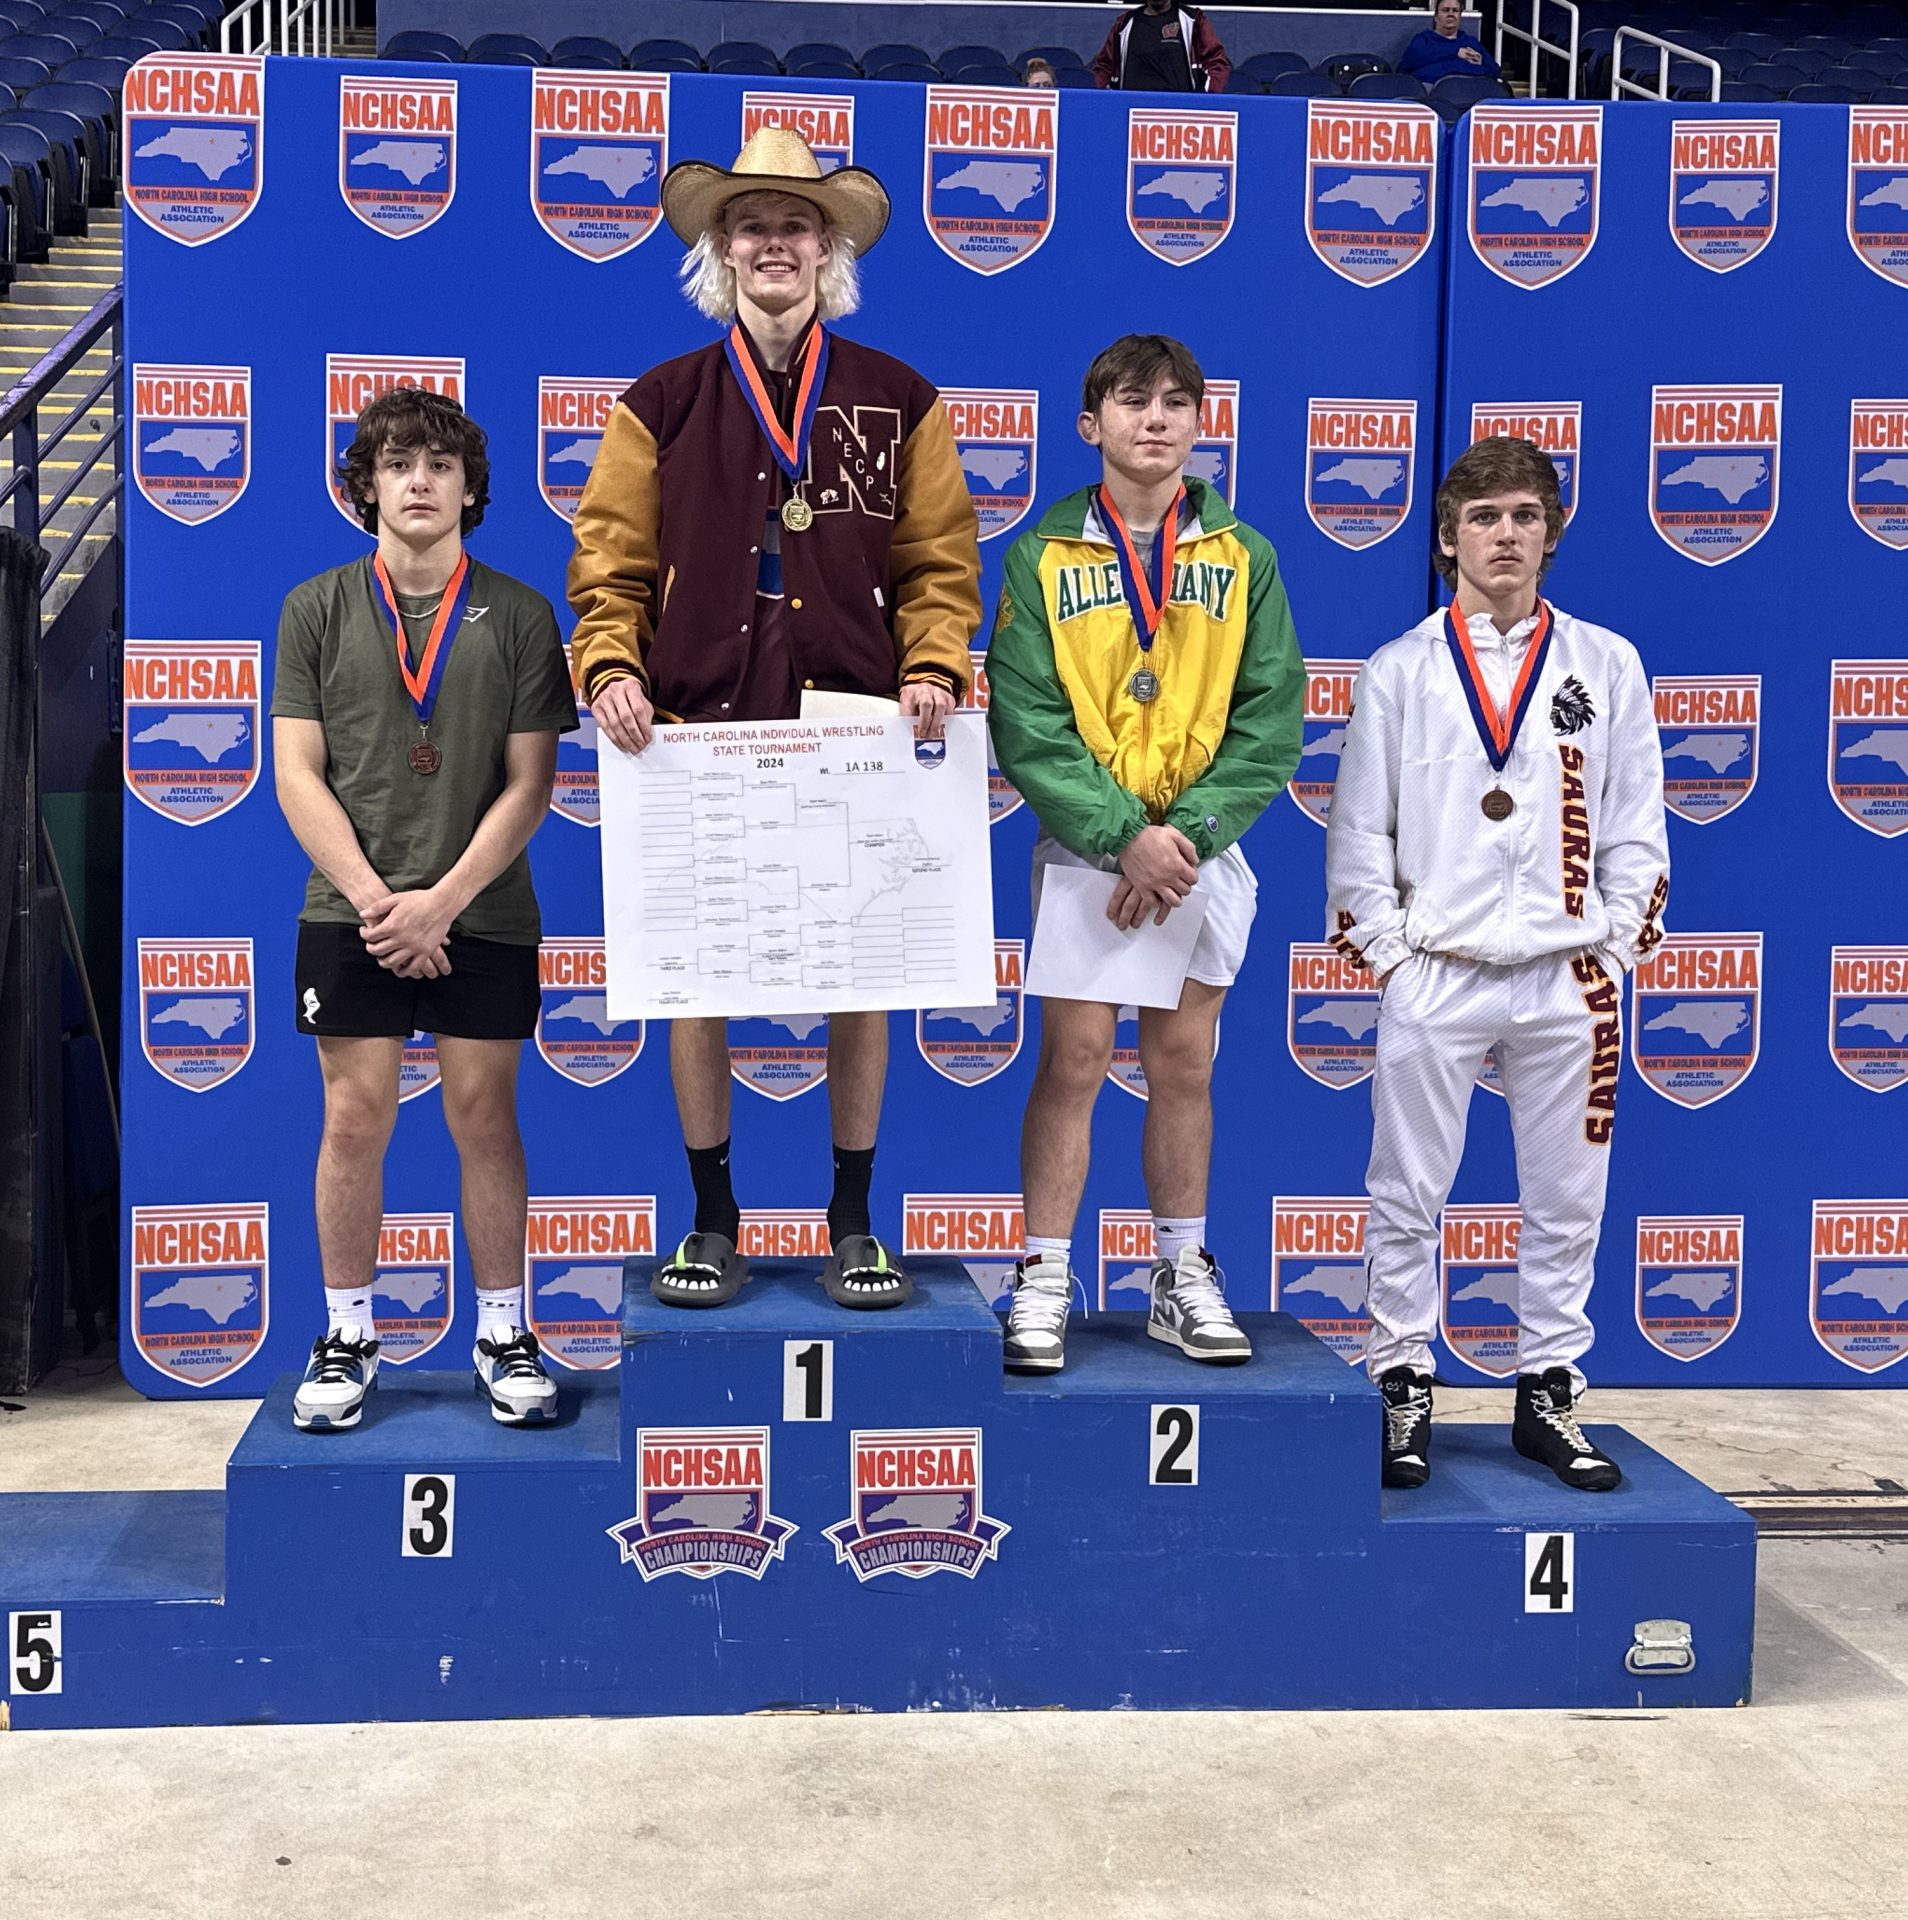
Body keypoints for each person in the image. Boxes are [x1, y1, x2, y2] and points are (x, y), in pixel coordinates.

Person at [568, 127, 982, 1315]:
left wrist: (932, 662)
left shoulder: (900, 397)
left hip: (854, 712)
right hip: (696, 716)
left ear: (829, 248)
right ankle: (713, 1216)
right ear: (719, 249)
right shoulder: (659, 402)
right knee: (695, 976)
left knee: (863, 971)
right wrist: (608, 664)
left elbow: (938, 560)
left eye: (795, 225)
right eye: (750, 226)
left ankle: (853, 1220)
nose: (773, 245)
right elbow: (608, 562)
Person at [1325, 436, 1668, 1493]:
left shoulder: (1605, 664)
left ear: (1552, 532)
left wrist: (1613, 947)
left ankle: (1547, 1390)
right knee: (1405, 1191)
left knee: (1568, 1198)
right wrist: (1392, 958)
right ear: (1447, 538)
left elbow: (1637, 825)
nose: (1505, 535)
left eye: (1525, 515)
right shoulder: (1401, 669)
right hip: (1438, 968)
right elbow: (1357, 832)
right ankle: (1401, 1380)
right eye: (1483, 518)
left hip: (1568, 976)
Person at [986, 335, 1305, 1373]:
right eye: (1132, 401)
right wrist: (1124, 837)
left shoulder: (1244, 556)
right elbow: (1027, 722)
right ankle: (1043, 1274)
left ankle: (1180, 1269)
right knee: (1075, 1058)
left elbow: (1272, 718)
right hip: (1090, 843)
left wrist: (1186, 838)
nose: (1154, 419)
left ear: (1201, 425)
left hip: (1202, 850)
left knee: (1181, 1062)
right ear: (1091, 424)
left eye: (1175, 402)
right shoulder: (1040, 557)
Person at [273, 386, 581, 1434]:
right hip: (350, 911)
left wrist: (440, 904)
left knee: (484, 1118)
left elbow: (531, 785)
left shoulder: (522, 613)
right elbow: (296, 774)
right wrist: (379, 904)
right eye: (397, 464)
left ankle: (502, 1332)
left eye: (440, 466)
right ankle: (347, 1335)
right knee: (353, 1117)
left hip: (481, 913)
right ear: (364, 488)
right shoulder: (314, 607)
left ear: (469, 490)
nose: (419, 482)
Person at [1092, 1, 1230, 94]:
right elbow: (1104, 67)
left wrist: (1205, 101)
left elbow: (1216, 63)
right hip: (1132, 115)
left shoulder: (1193, 20)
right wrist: (1109, 99)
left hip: (1178, 116)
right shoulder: (1124, 24)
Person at [1399, 0, 1495, 84]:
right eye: (1445, 10)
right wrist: (1456, 52)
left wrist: (1480, 63)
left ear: (1460, 16)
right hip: (1431, 91)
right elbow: (1407, 65)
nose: (1450, 14)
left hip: (1470, 90)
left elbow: (1494, 72)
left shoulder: (1471, 42)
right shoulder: (1424, 40)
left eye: (1455, 10)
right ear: (1436, 17)